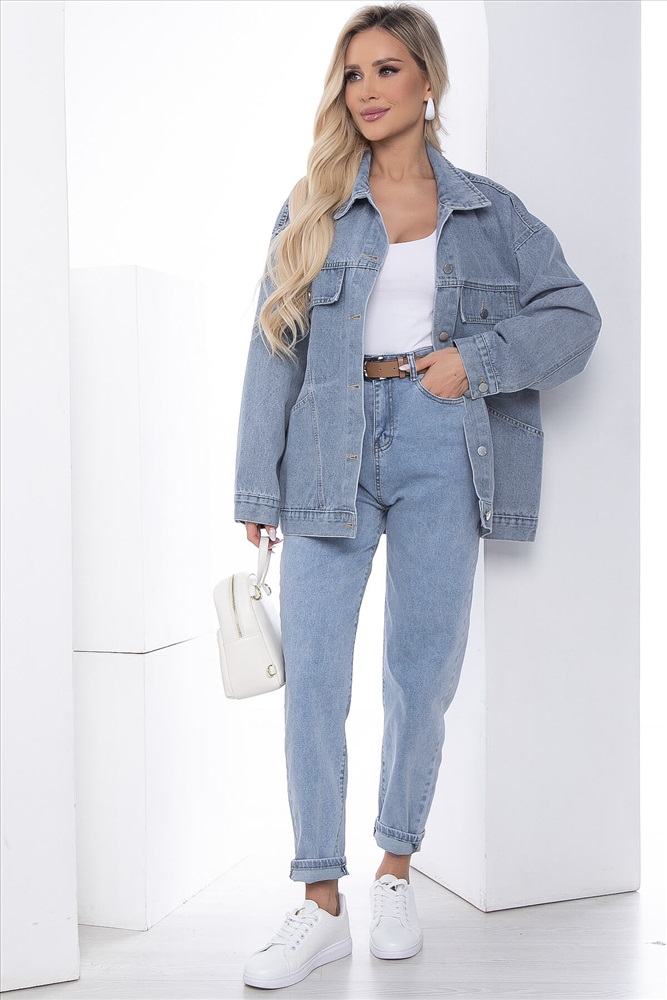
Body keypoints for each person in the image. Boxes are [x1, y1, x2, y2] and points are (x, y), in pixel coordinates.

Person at [233, 2, 601, 990]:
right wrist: (254, 477)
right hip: (329, 445)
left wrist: (473, 361)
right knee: (315, 675)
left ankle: (395, 870)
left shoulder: (490, 213)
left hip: (443, 438)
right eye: (353, 74)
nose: (367, 90)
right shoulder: (312, 204)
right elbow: (273, 344)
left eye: (387, 69)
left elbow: (574, 317)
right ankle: (318, 900)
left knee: (420, 672)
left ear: (426, 81)